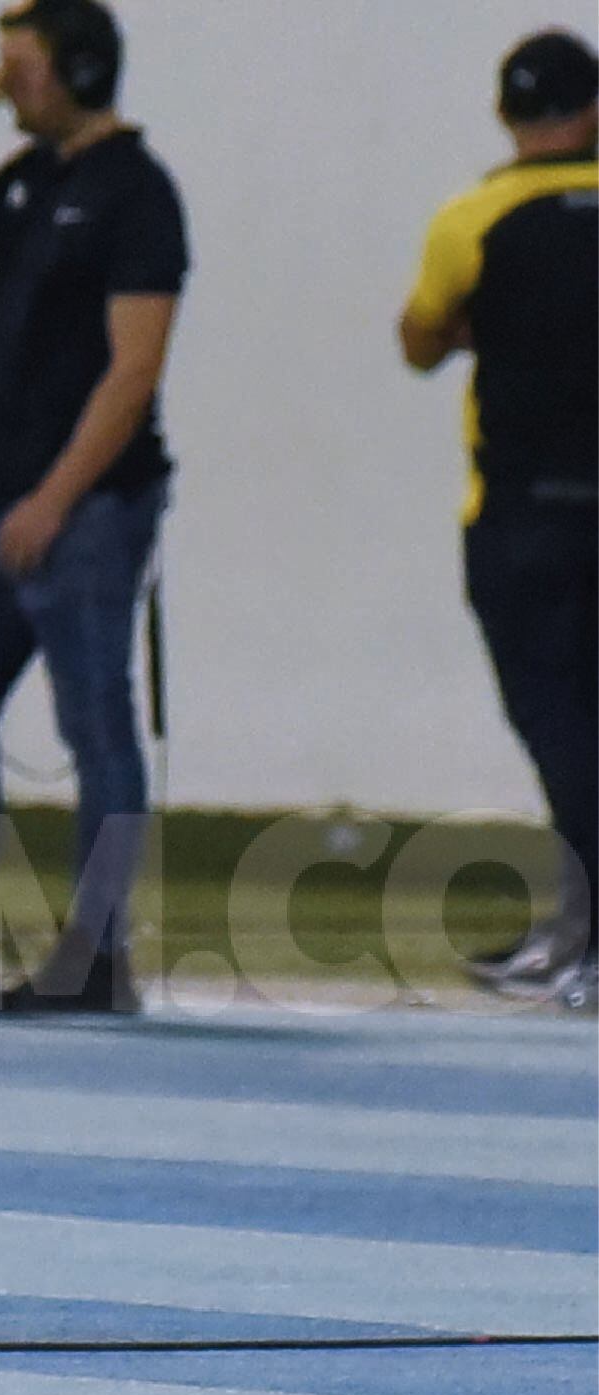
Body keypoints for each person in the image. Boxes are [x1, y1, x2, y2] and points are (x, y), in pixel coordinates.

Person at [0, 0, 186, 1014]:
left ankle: (99, 954)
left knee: (94, 722)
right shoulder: (32, 182)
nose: (5, 85)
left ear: (76, 70)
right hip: (6, 509)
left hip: (87, 510)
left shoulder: (135, 194)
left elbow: (132, 370)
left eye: (19, 68)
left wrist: (55, 498)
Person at [399, 29, 597, 1013]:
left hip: (522, 513)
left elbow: (419, 338)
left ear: (504, 116)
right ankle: (579, 925)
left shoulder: (474, 217)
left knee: (558, 724)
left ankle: (584, 937)